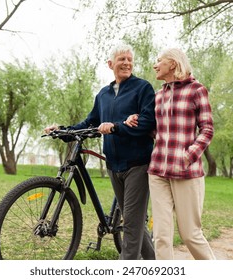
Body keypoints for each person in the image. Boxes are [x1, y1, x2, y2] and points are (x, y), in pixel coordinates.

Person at [44, 44, 156, 260]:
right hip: (114, 164)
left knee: (131, 225)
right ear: (110, 64)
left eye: (129, 59)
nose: (126, 63)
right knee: (134, 221)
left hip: (138, 164)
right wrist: (63, 130)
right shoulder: (103, 94)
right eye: (121, 59)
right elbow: (90, 122)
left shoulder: (143, 88)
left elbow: (147, 122)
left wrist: (115, 127)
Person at [126, 48, 215, 260]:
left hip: (186, 172)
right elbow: (156, 129)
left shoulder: (196, 90)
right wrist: (135, 119)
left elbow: (207, 129)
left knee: (190, 234)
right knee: (161, 236)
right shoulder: (159, 95)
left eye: (159, 61)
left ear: (173, 64)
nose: (155, 65)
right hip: (158, 171)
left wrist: (188, 155)